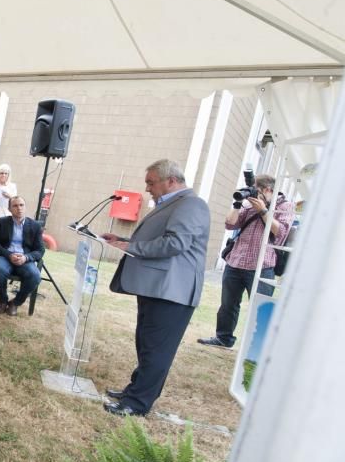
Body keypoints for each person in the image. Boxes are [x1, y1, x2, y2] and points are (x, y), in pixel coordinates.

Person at [101, 159, 211, 417]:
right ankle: (135, 390)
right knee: (147, 343)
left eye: (151, 182)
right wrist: (124, 240)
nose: (148, 188)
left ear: (170, 181)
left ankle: (136, 404)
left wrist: (132, 248)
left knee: (157, 349)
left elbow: (175, 244)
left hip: (173, 291)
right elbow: (158, 239)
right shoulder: (175, 204)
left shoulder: (191, 204)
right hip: (159, 288)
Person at [198, 174, 291, 349]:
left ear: (269, 190)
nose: (255, 193)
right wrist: (237, 203)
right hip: (236, 261)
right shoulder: (249, 202)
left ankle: (255, 348)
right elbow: (230, 224)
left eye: (259, 190)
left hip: (262, 265)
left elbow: (281, 232)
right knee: (228, 305)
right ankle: (223, 338)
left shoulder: (284, 206)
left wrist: (263, 211)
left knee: (260, 308)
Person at [0, 196, 45, 316]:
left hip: (24, 259)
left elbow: (40, 250)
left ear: (25, 207)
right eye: (15, 206)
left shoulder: (35, 226)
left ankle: (15, 302)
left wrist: (26, 257)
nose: (19, 208)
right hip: (5, 256)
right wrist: (9, 255)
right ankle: (3, 300)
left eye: (21, 205)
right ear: (9, 209)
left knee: (35, 276)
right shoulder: (2, 222)